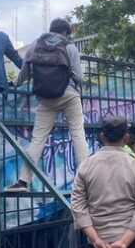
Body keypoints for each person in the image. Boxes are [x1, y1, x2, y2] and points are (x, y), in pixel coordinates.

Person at [5, 18, 89, 192]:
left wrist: (14, 83)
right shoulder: (69, 47)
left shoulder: (36, 45)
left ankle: (22, 182)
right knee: (78, 135)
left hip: (46, 97)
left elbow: (25, 73)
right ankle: (87, 179)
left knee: (38, 138)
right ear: (65, 32)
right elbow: (79, 77)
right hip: (69, 94)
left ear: (50, 29)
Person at [71, 116, 135, 248]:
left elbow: (77, 206)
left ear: (102, 137)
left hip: (97, 242)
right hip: (131, 242)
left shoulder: (86, 166)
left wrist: (96, 240)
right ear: (126, 138)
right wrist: (124, 242)